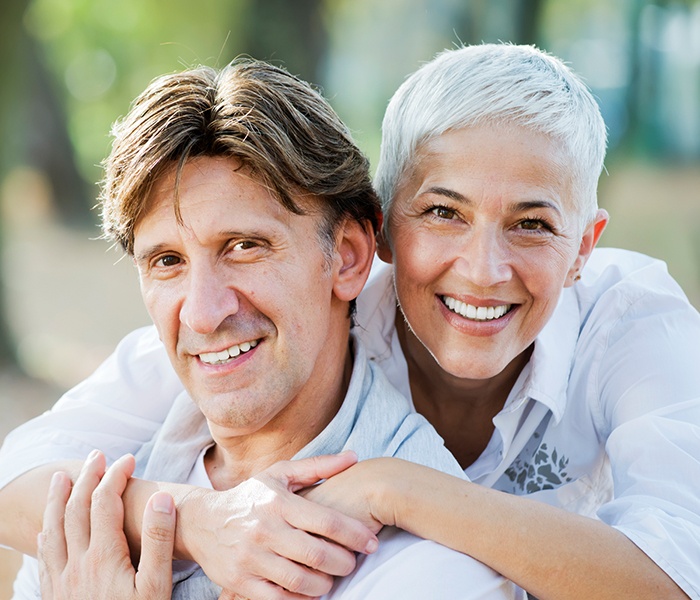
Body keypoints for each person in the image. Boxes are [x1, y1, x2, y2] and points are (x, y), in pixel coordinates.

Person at [2, 42, 700, 599]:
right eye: (442, 212)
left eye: (532, 224)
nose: (482, 269)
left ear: (584, 246)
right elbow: (15, 481)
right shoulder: (270, 326)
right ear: (386, 231)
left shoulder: (629, 326)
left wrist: (390, 486)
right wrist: (198, 520)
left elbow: (675, 577)